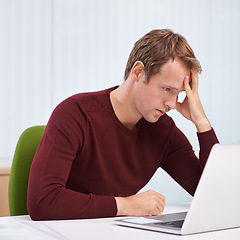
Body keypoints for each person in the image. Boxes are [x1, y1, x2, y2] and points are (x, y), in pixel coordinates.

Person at [27, 29, 219, 220]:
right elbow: (42, 201)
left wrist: (201, 122)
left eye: (178, 93)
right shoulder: (76, 114)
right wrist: (127, 205)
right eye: (167, 89)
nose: (171, 104)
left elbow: (212, 198)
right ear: (138, 72)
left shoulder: (163, 131)